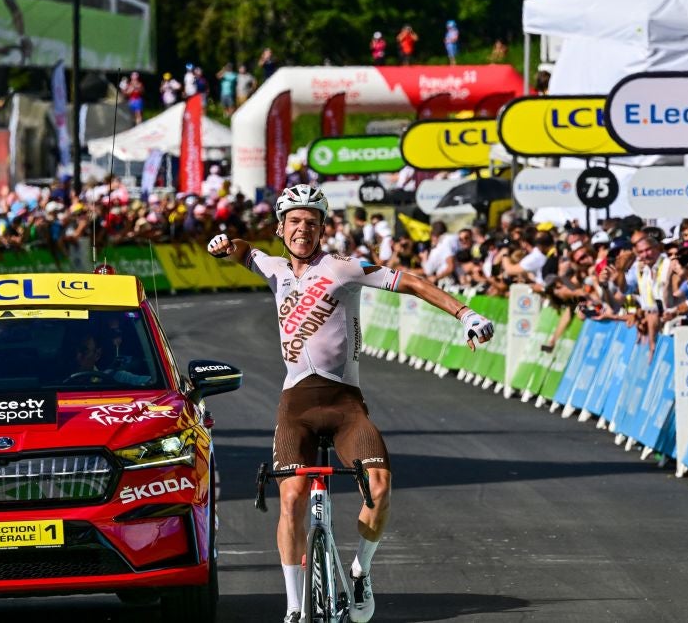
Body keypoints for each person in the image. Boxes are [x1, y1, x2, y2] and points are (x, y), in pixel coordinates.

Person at [206, 185, 494, 623]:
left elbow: (411, 282)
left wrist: (465, 314)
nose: (303, 229)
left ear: (322, 229)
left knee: (379, 487)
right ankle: (294, 605)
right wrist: (226, 245)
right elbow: (245, 251)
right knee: (291, 498)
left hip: (345, 404)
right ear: (281, 228)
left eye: (312, 222)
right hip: (296, 406)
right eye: (294, 221)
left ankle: (361, 570)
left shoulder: (343, 267)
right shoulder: (274, 268)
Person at [70, 332, 151, 387]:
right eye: (73, 351)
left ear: (97, 355)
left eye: (84, 351)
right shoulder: (61, 381)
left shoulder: (114, 376)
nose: (78, 356)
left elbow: (152, 382)